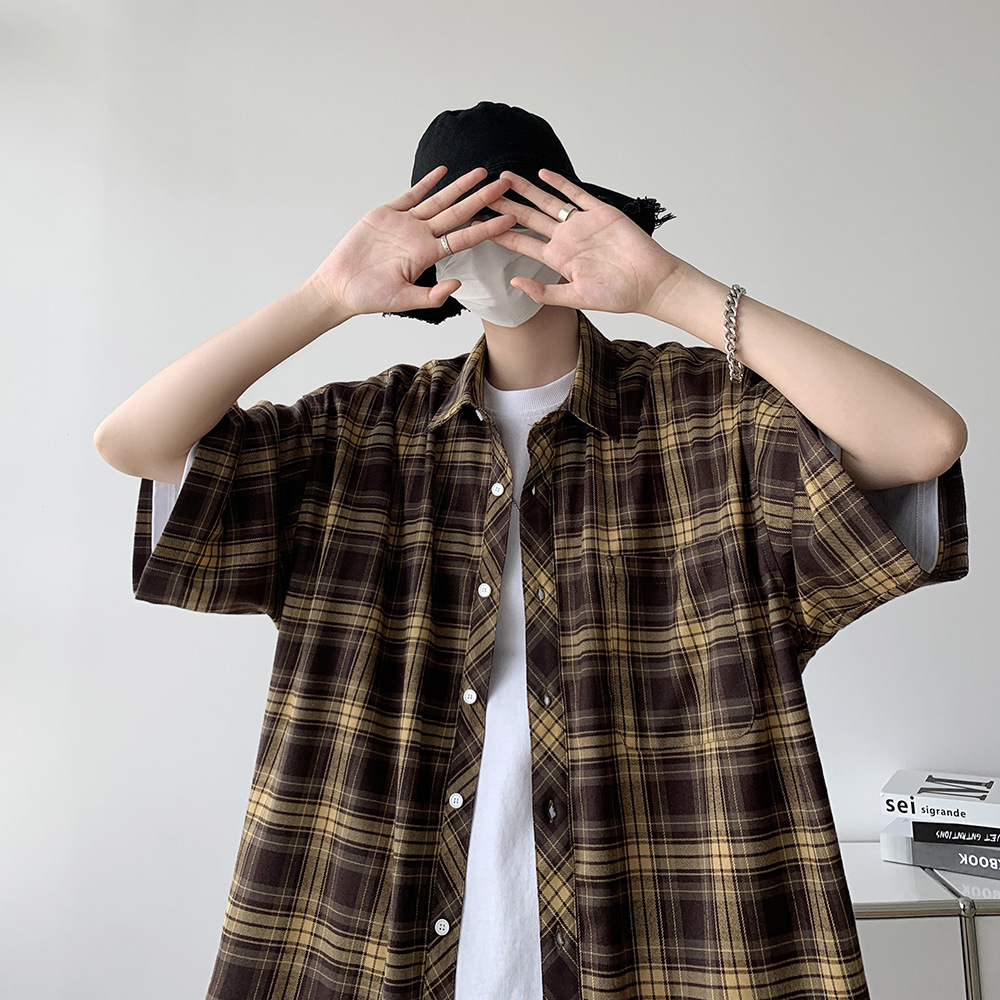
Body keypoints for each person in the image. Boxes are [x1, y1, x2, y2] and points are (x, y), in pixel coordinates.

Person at [94, 102, 969, 1000]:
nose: (491, 241)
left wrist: (670, 288)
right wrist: (325, 296)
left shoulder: (706, 419)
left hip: (672, 924)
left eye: (516, 212)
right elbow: (133, 444)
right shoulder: (363, 433)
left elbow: (925, 442)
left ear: (576, 218)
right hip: (379, 921)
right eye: (461, 221)